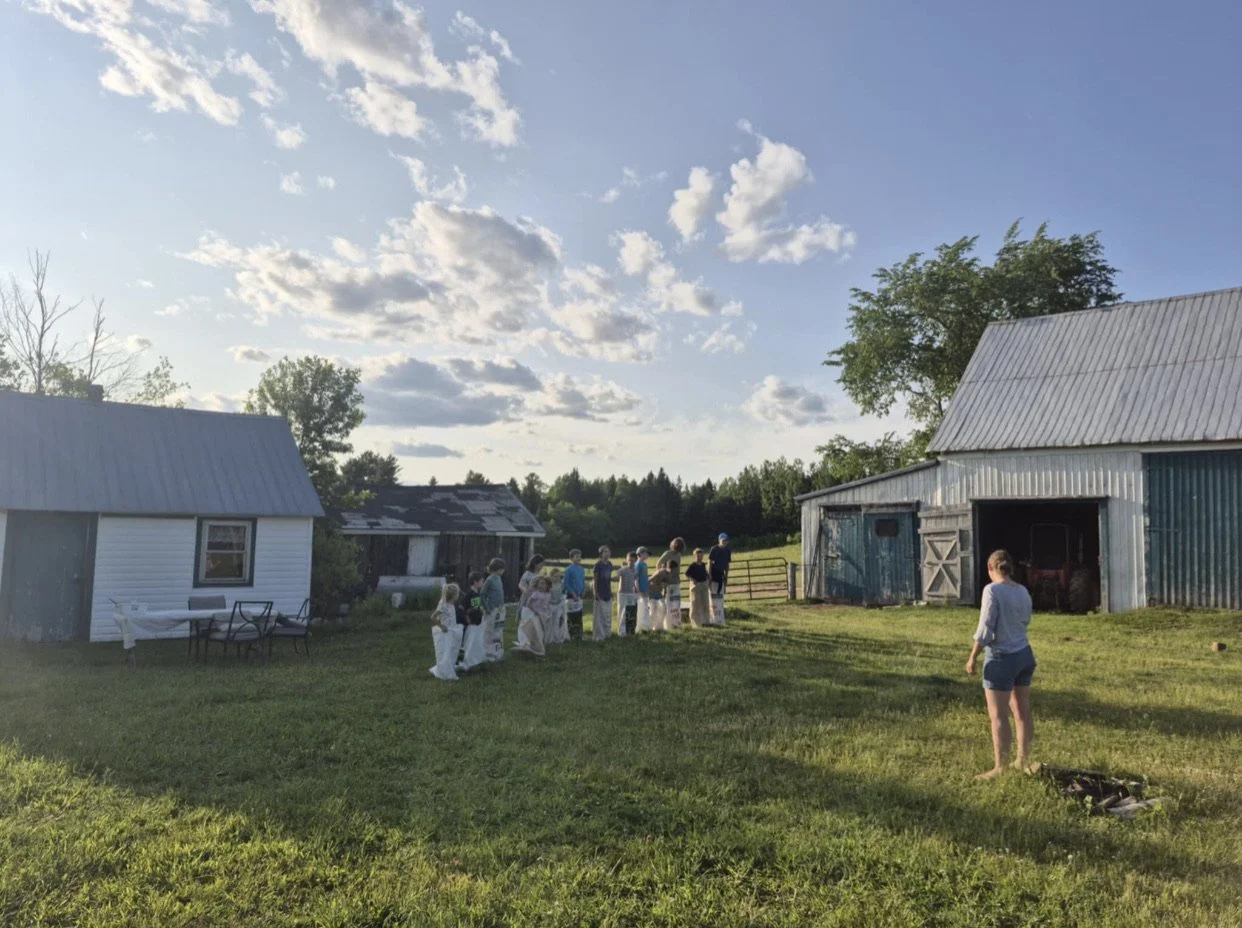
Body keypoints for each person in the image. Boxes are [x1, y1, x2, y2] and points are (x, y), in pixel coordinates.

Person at [967, 549, 1037, 780]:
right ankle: (1022, 760)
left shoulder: (992, 590)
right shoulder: (1022, 590)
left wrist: (972, 657)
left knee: (998, 715)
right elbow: (1026, 618)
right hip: (1024, 654)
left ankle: (1000, 767)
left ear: (991, 567)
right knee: (1022, 710)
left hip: (1001, 657)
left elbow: (986, 628)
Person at [430, 583, 463, 681]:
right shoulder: (443, 604)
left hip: (452, 631)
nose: (458, 596)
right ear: (453, 595)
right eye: (457, 594)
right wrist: (441, 626)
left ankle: (447, 669)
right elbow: (433, 617)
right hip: (446, 632)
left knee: (452, 652)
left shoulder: (451, 604)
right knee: (445, 652)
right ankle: (447, 674)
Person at [515, 554, 545, 650]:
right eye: (540, 564)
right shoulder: (528, 574)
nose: (542, 566)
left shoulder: (540, 575)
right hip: (528, 601)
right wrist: (525, 591)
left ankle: (534, 642)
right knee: (525, 621)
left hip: (538, 602)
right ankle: (523, 642)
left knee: (535, 622)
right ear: (535, 564)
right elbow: (521, 584)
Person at [516, 575, 551, 657]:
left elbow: (547, 605)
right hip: (534, 613)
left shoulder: (548, 594)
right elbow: (529, 603)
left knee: (542, 630)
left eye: (544, 584)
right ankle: (528, 645)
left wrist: (548, 612)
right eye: (541, 584)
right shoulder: (535, 594)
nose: (543, 586)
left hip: (542, 614)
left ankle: (538, 646)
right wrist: (535, 611)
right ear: (537, 585)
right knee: (532, 628)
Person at [458, 571, 487, 670]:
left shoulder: (477, 593)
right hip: (471, 624)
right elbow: (462, 608)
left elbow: (476, 606)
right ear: (475, 582)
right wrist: (468, 620)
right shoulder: (469, 595)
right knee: (469, 643)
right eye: (481, 581)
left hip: (478, 623)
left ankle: (476, 659)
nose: (482, 583)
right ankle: (468, 661)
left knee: (477, 641)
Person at [480, 558, 507, 661]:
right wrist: (487, 609)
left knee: (498, 631)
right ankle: (488, 653)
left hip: (500, 610)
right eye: (502, 569)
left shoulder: (499, 578)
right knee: (489, 631)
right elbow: (482, 595)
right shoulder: (489, 579)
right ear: (499, 569)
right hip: (492, 610)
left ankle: (497, 651)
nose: (503, 571)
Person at [657, 538, 686, 629]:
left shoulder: (679, 555)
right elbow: (658, 564)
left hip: (676, 582)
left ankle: (676, 623)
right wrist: (663, 574)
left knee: (676, 603)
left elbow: (678, 568)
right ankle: (668, 624)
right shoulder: (667, 554)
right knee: (668, 603)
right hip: (667, 583)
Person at [708, 533, 732, 626]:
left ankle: (720, 618)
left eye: (726, 540)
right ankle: (712, 618)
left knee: (720, 596)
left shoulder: (727, 550)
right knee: (713, 595)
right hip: (714, 573)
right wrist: (709, 575)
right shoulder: (714, 549)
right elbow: (710, 562)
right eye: (723, 540)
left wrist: (727, 576)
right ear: (719, 540)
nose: (724, 542)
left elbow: (727, 564)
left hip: (721, 574)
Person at [563, 549, 586, 641]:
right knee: (571, 615)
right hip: (571, 596)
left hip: (580, 596)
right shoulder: (568, 570)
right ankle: (571, 635)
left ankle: (579, 635)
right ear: (571, 558)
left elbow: (583, 581)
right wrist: (572, 593)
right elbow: (566, 584)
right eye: (576, 557)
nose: (579, 558)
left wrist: (584, 590)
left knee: (579, 615)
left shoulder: (581, 569)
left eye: (580, 556)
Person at [592, 546, 614, 641]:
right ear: (601, 554)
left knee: (607, 614)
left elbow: (608, 580)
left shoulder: (609, 564)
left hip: (607, 592)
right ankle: (599, 636)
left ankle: (607, 634)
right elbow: (595, 580)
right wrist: (595, 592)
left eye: (608, 552)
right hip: (599, 592)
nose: (607, 553)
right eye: (605, 552)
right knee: (599, 616)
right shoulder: (598, 565)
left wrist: (610, 591)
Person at [686, 548, 711, 627]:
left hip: (704, 584)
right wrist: (693, 579)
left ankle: (706, 621)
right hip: (696, 586)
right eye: (698, 556)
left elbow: (705, 573)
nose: (699, 557)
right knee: (695, 604)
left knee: (705, 603)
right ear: (694, 556)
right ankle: (696, 623)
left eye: (701, 556)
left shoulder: (703, 565)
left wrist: (708, 577)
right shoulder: (692, 565)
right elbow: (687, 574)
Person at [616, 552, 639, 636]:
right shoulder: (623, 569)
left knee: (630, 612)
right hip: (622, 594)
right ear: (626, 559)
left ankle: (630, 630)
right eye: (629, 560)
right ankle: (621, 632)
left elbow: (636, 581)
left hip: (631, 594)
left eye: (632, 561)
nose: (630, 562)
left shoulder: (636, 571)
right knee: (621, 612)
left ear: (635, 561)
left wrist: (636, 589)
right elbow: (617, 574)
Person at [546, 567, 567, 645]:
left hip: (558, 605)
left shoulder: (561, 584)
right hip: (551, 605)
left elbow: (562, 594)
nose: (557, 578)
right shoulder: (549, 586)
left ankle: (557, 638)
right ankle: (549, 639)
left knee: (557, 622)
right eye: (555, 576)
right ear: (551, 577)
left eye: (559, 576)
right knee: (550, 622)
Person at [647, 566, 671, 630]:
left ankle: (659, 626)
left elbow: (665, 587)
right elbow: (647, 582)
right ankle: (650, 627)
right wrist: (650, 589)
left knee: (663, 608)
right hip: (651, 594)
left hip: (658, 594)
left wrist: (664, 593)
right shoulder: (657, 575)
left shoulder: (667, 577)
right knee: (653, 610)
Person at [635, 547, 652, 632]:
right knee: (642, 608)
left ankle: (646, 626)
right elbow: (636, 578)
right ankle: (642, 627)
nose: (647, 555)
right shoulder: (638, 564)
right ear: (640, 554)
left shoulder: (644, 564)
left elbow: (645, 578)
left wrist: (648, 588)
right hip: (640, 590)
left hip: (645, 589)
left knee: (646, 608)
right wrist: (639, 590)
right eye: (646, 553)